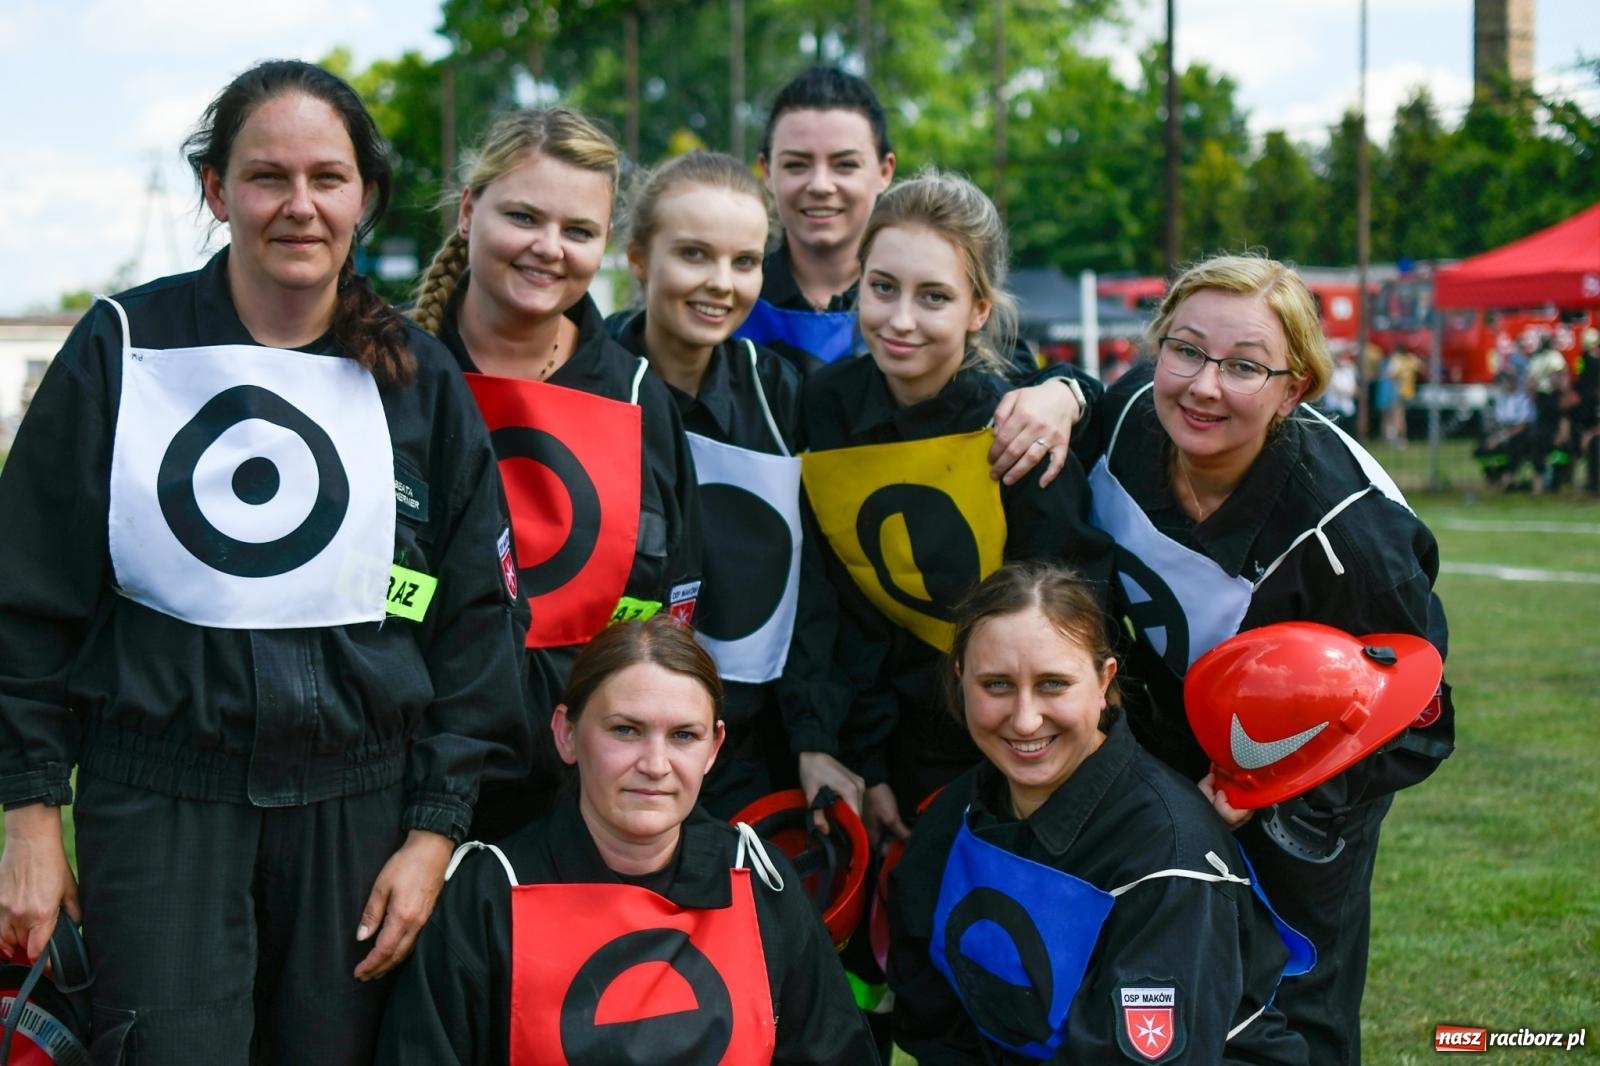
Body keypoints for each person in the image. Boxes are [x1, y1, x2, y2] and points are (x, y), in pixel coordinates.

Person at [0, 60, 530, 1064]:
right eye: (266, 177)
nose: (300, 206)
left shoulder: (418, 381)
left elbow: (477, 623)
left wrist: (432, 833)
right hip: (159, 805)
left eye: (327, 178)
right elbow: (23, 597)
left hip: (358, 816)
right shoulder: (121, 350)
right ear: (215, 191)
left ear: (365, 197)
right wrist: (29, 814)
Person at [1071, 253, 1456, 1066]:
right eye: (1185, 350)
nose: (1203, 386)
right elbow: (1083, 402)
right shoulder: (1129, 418)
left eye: (1244, 366)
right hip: (1166, 762)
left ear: (1296, 388)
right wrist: (1056, 391)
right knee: (1159, 982)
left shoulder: (1352, 535)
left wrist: (1281, 797)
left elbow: (1423, 721)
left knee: (1287, 1010)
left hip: (1299, 797)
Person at [375, 615, 878, 1065]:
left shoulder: (757, 879)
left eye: (684, 735)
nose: (655, 765)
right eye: (626, 730)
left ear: (714, 748)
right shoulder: (490, 893)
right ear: (566, 734)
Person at [410, 107, 701, 839]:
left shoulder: (639, 399)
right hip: (391, 783)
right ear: (470, 209)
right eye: (523, 216)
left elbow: (666, 614)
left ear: (604, 243)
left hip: (573, 808)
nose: (548, 249)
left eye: (577, 231)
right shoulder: (387, 372)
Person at [889, 562, 1309, 1064]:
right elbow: (931, 1016)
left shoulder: (1169, 854)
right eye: (996, 685)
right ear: (961, 680)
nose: (1025, 720)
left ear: (1104, 680)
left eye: (1053, 684)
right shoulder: (955, 815)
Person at [800, 169, 1111, 847]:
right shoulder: (823, 407)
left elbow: (1076, 607)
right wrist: (870, 760)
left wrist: (1069, 392)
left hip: (1022, 745)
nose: (900, 319)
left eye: (933, 296)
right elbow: (842, 608)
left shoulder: (1019, 422)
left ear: (978, 309)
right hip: (893, 746)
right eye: (883, 288)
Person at [611, 150, 836, 816]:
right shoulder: (583, 387)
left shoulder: (780, 392)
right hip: (610, 751)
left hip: (747, 751)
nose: (720, 284)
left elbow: (815, 586)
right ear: (638, 258)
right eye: (693, 255)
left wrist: (814, 737)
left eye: (743, 263)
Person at [746, 65, 1088, 490]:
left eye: (844, 165)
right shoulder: (734, 302)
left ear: (885, 171)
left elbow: (1017, 379)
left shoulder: (938, 300)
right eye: (797, 164)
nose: (820, 184)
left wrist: (1068, 394)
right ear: (766, 170)